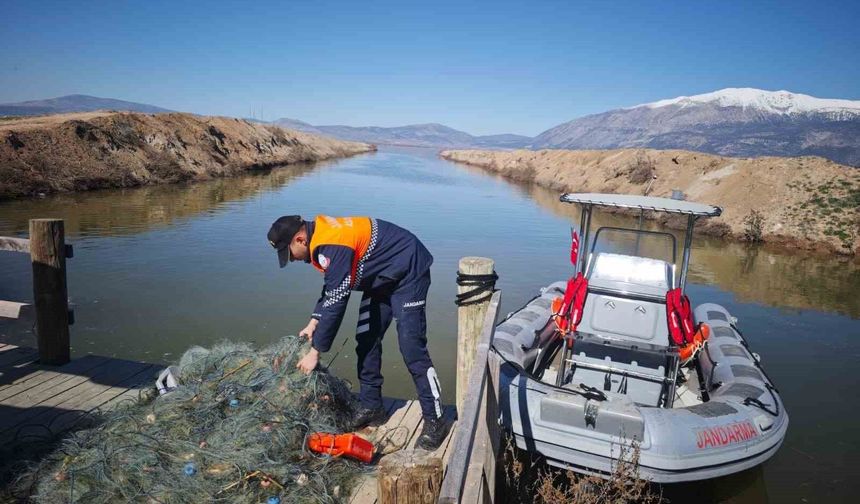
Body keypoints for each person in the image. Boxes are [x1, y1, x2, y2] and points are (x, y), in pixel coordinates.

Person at [267, 214, 450, 450]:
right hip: (381, 277)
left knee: (411, 347)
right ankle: (372, 406)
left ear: (300, 239)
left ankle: (435, 419)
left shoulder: (332, 243)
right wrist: (314, 320)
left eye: (289, 252)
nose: (290, 259)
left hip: (407, 271)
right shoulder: (321, 239)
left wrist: (315, 352)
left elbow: (338, 300)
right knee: (366, 339)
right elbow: (334, 285)